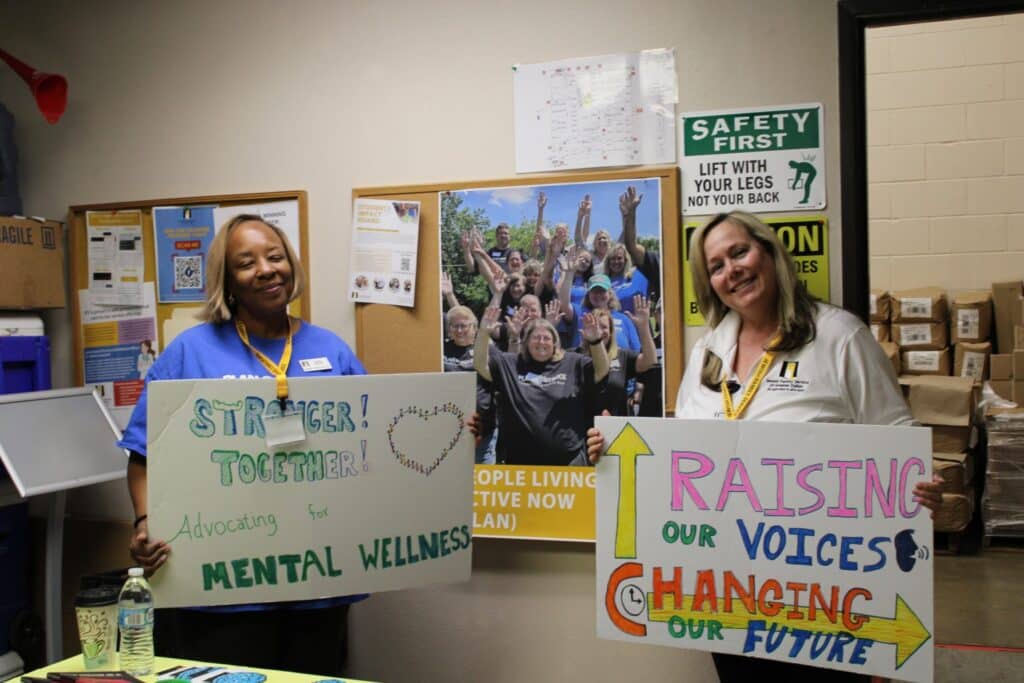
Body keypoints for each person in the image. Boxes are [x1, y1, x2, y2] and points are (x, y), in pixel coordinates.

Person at [586, 210, 943, 683]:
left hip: (823, 599)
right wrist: (612, 450)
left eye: (739, 252)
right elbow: (685, 457)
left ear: (770, 252)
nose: (730, 270)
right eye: (716, 266)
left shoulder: (840, 337)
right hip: (726, 595)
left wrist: (923, 489)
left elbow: (898, 444)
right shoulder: (708, 350)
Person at [118, 214, 366, 677]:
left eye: (275, 256)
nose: (267, 269)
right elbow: (142, 457)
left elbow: (376, 440)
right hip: (218, 595)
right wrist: (147, 521)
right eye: (247, 263)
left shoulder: (331, 350)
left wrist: (451, 429)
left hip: (316, 586)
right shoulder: (190, 352)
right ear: (227, 281)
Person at [475, 304, 609, 466]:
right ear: (526, 341)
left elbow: (602, 371)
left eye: (546, 338)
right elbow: (481, 366)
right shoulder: (509, 363)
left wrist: (596, 341)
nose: (541, 342)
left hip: (568, 462)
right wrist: (483, 333)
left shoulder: (573, 362)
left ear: (555, 343)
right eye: (536, 337)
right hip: (520, 464)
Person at [580, 299, 656, 416]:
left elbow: (650, 361)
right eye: (594, 326)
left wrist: (643, 327)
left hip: (618, 428)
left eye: (604, 327)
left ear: (611, 332)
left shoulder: (622, 356)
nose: (599, 331)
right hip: (582, 428)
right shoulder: (576, 357)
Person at [442, 304, 497, 464]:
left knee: (484, 484)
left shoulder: (487, 349)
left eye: (464, 326)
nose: (459, 330)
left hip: (482, 430)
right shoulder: (440, 349)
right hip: (448, 429)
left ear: (474, 328)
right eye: (454, 326)